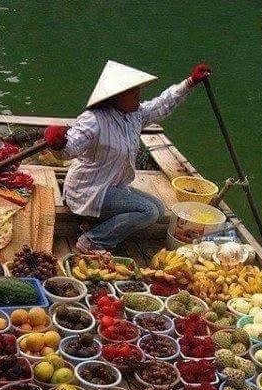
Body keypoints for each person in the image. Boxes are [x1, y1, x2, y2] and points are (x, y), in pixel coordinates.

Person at [44, 60, 211, 252]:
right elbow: (69, 150)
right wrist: (59, 143)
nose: (138, 97)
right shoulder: (94, 119)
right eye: (133, 93)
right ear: (116, 97)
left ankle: (93, 222)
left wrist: (189, 83)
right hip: (89, 190)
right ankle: (92, 241)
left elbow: (162, 104)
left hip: (113, 186)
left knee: (157, 207)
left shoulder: (134, 115)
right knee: (147, 211)